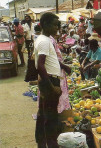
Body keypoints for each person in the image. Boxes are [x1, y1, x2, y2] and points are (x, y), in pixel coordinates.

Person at [34, 12, 66, 147]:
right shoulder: (44, 41)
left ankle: (41, 142)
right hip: (49, 81)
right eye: (54, 25)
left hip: (49, 80)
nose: (56, 28)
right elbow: (40, 65)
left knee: (43, 115)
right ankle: (52, 144)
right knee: (51, 117)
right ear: (45, 25)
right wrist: (52, 87)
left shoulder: (45, 39)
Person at [50, 31, 71, 114]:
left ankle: (57, 112)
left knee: (57, 94)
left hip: (56, 71)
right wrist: (65, 67)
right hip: (54, 72)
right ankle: (55, 114)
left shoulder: (50, 40)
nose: (57, 30)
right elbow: (52, 58)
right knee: (56, 94)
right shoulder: (49, 41)